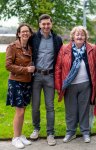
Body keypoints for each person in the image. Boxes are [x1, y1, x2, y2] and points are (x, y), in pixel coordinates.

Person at [55, 26, 96, 143]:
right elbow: (58, 68)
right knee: (70, 110)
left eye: (82, 34)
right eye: (77, 34)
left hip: (86, 85)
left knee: (84, 110)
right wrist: (59, 86)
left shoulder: (92, 48)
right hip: (69, 86)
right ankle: (70, 132)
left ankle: (85, 132)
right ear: (73, 37)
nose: (79, 36)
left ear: (85, 37)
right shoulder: (64, 48)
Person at [29, 14, 63, 146]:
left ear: (51, 24)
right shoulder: (33, 38)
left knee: (50, 107)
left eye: (48, 23)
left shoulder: (57, 39)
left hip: (50, 76)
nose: (46, 26)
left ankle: (50, 133)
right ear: (39, 25)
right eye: (43, 24)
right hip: (36, 76)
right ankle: (36, 129)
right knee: (35, 106)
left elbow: (60, 59)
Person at [5, 23, 35, 149]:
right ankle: (15, 138)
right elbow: (8, 65)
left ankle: (20, 135)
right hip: (16, 81)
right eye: (22, 31)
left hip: (27, 82)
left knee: (23, 110)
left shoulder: (31, 47)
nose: (25, 33)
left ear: (30, 33)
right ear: (18, 33)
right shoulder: (12, 47)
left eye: (27, 31)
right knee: (20, 111)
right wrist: (26, 69)